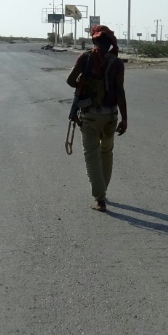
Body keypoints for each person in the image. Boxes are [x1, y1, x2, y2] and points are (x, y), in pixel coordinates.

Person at [66, 25, 128, 212]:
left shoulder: (85, 58)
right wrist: (124, 119)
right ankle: (102, 191)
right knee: (106, 152)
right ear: (110, 43)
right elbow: (120, 92)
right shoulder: (117, 63)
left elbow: (70, 80)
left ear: (94, 40)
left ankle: (100, 199)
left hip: (90, 115)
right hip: (110, 116)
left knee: (91, 155)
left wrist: (83, 84)